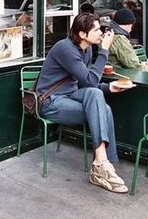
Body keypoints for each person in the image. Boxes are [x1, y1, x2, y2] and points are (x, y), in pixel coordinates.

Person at [37, 12, 133, 193]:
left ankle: (102, 164)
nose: (101, 33)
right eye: (96, 30)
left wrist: (108, 87)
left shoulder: (86, 49)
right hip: (50, 102)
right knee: (103, 109)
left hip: (71, 95)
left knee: (98, 97)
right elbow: (90, 80)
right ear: (82, 34)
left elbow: (87, 83)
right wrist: (104, 51)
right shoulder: (65, 49)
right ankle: (103, 165)